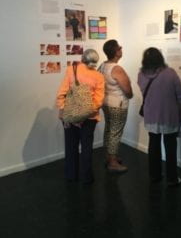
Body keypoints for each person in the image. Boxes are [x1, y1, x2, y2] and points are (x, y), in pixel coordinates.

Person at [137, 47, 181, 186]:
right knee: (170, 147)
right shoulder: (170, 73)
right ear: (160, 58)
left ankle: (154, 176)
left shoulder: (141, 74)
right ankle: (172, 178)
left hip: (151, 115)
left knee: (153, 145)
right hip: (169, 116)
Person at [56, 49, 105, 184]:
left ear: (83, 58)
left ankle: (71, 175)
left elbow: (62, 93)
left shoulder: (71, 70)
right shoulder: (99, 76)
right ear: (95, 61)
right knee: (87, 147)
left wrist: (64, 110)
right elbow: (98, 101)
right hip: (89, 118)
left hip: (70, 115)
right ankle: (87, 177)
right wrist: (84, 114)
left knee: (70, 146)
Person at [99, 39, 133, 173]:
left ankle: (109, 156)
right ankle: (112, 162)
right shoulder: (117, 69)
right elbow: (128, 91)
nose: (121, 49)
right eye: (120, 47)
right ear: (116, 52)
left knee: (109, 129)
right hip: (118, 104)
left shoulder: (102, 66)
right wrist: (130, 95)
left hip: (106, 103)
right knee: (115, 132)